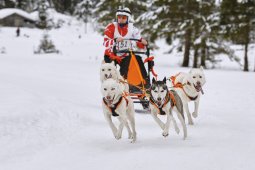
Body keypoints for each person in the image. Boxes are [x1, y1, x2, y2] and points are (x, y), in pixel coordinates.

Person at [103, 7, 150, 90]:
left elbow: (139, 41)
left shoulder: (133, 29)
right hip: (112, 55)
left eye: (123, 17)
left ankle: (145, 83)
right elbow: (105, 43)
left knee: (137, 58)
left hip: (126, 54)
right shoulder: (111, 27)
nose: (121, 19)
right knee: (124, 62)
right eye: (119, 17)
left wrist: (143, 42)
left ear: (128, 18)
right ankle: (123, 84)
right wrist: (115, 40)